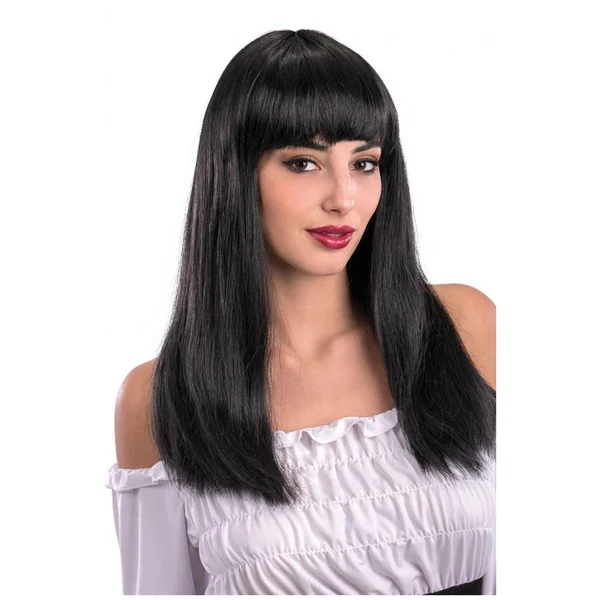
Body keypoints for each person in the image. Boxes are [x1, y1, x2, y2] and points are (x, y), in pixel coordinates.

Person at [105, 29, 496, 595]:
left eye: (364, 163)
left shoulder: (465, 328)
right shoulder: (160, 399)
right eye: (303, 162)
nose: (343, 198)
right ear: (236, 175)